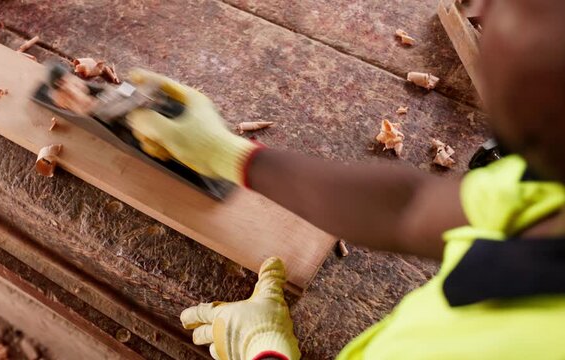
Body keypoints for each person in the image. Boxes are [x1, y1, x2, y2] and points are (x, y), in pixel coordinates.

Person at [125, 0, 565, 358]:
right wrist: (226, 153)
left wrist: (262, 352)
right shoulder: (550, 179)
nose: (477, 8)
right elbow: (409, 209)